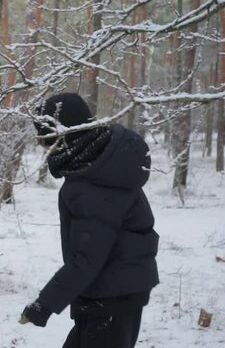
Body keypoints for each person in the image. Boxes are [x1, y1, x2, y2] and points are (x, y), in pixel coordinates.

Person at [20, 92, 159, 348]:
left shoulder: (92, 184)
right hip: (115, 292)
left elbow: (88, 258)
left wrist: (45, 304)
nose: (43, 146)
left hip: (110, 296)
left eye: (45, 138)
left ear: (64, 135)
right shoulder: (101, 165)